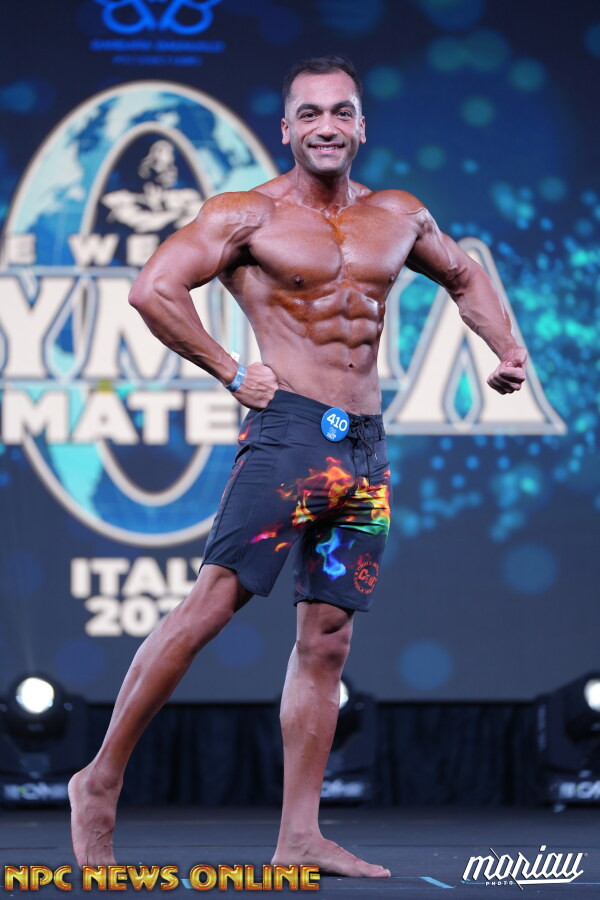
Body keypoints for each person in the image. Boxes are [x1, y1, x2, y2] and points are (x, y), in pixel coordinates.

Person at [69, 55, 528, 877]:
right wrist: (227, 369)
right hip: (289, 437)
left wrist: (508, 349)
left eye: (341, 111)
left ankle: (300, 835)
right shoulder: (247, 214)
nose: (326, 126)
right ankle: (99, 779)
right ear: (286, 129)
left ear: (361, 126)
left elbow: (465, 276)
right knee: (212, 605)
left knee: (328, 639)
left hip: (364, 449)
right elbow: (153, 289)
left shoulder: (398, 215)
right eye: (310, 113)